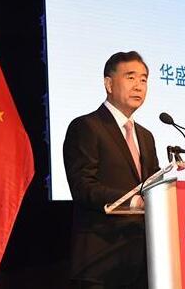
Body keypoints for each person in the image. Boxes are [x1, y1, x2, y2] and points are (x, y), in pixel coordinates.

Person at [63, 51, 160, 289]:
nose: (139, 85)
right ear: (108, 83)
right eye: (130, 77)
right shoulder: (86, 127)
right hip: (100, 265)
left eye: (144, 79)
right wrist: (133, 202)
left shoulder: (146, 137)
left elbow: (155, 186)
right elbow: (83, 186)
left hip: (143, 266)